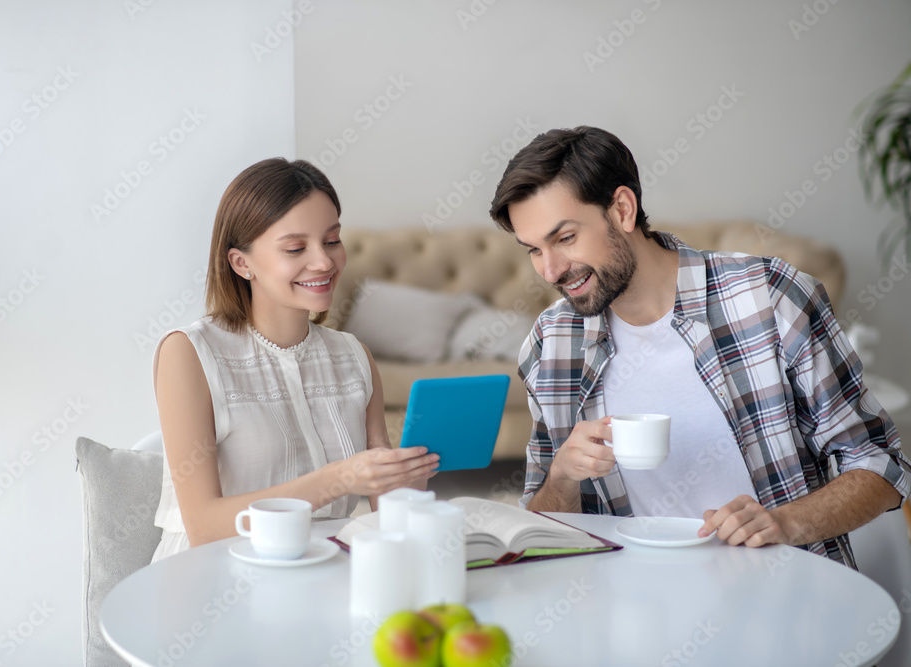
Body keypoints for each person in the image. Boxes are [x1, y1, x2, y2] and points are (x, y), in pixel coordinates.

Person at [489, 126, 908, 566]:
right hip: (630, 605)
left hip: (784, 593)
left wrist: (784, 523)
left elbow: (880, 465)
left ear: (622, 210)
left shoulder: (769, 297)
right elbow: (541, 531)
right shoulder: (551, 343)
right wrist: (563, 477)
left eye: (565, 238)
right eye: (533, 250)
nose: (550, 270)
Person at [150, 158, 438, 561]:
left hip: (325, 569)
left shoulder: (354, 356)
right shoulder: (189, 353)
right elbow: (204, 526)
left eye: (332, 240)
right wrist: (339, 479)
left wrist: (408, 472)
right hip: (212, 576)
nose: (324, 262)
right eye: (295, 248)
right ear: (241, 262)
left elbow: (389, 512)